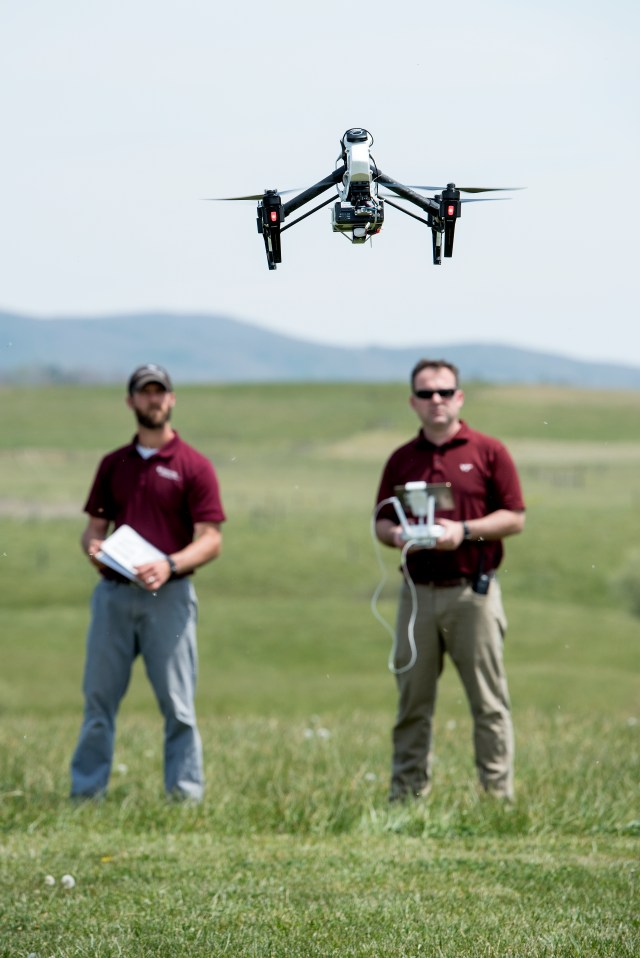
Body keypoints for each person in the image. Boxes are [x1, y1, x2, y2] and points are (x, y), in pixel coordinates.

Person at [70, 363, 226, 801]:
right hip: (114, 596)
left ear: (172, 400)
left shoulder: (193, 465)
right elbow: (93, 529)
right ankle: (85, 795)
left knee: (178, 704)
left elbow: (211, 540)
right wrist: (94, 549)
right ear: (130, 401)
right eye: (144, 393)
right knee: (98, 702)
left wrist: (170, 565)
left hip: (170, 597)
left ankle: (184, 796)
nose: (153, 400)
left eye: (160, 392)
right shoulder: (112, 464)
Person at [374, 359, 525, 802]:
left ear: (459, 396)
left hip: (471, 592)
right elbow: (381, 523)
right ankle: (405, 799)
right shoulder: (402, 459)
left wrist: (464, 531)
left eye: (443, 392)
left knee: (489, 703)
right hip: (416, 595)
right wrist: (399, 535)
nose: (435, 401)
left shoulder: (488, 451)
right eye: (425, 394)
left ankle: (497, 802)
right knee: (412, 704)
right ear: (413, 403)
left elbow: (514, 517)